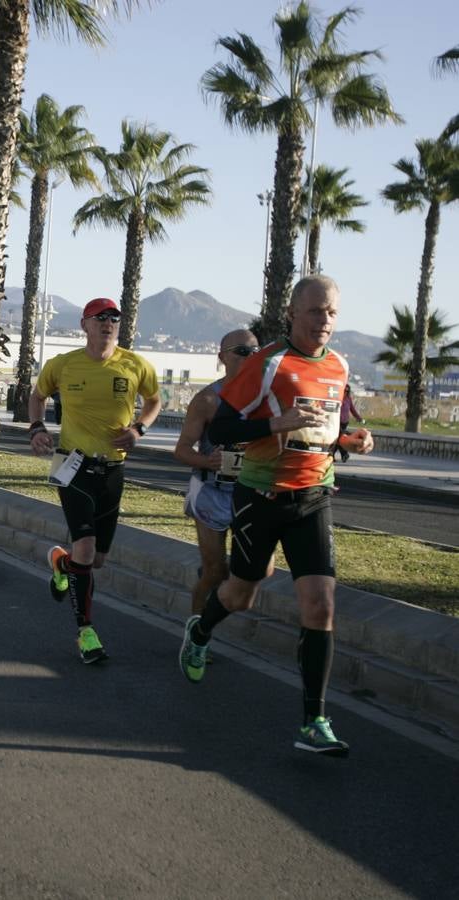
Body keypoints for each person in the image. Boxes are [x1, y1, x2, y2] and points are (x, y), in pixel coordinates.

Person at [179, 275, 374, 757]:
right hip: (261, 494)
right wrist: (274, 423)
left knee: (321, 606)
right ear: (292, 312)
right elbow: (223, 428)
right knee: (242, 593)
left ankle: (314, 721)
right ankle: (200, 630)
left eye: (331, 312)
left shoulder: (338, 365)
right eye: (314, 311)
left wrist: (356, 439)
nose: (324, 320)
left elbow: (340, 425)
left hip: (314, 495)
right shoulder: (267, 363)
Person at [29, 297, 161, 664]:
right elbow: (37, 396)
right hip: (73, 465)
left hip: (113, 470)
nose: (108, 323)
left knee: (96, 559)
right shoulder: (63, 364)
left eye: (114, 318)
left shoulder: (135, 364)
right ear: (84, 324)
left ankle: (61, 564)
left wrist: (139, 429)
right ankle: (86, 632)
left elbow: (154, 401)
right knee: (86, 549)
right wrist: (37, 428)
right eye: (101, 318)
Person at [174, 329, 263, 618]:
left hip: (252, 492)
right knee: (215, 572)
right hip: (212, 492)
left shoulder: (267, 400)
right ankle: (197, 628)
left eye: (255, 351)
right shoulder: (208, 400)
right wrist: (206, 461)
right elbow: (182, 449)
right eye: (242, 351)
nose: (250, 357)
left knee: (262, 567)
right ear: (222, 357)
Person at [336, 384, 364, 462]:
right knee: (339, 437)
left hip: (345, 422)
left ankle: (333, 455)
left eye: (347, 390)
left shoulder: (348, 399)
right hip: (337, 421)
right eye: (344, 390)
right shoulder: (338, 398)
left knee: (338, 438)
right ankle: (344, 454)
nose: (346, 391)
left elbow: (352, 409)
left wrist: (359, 418)